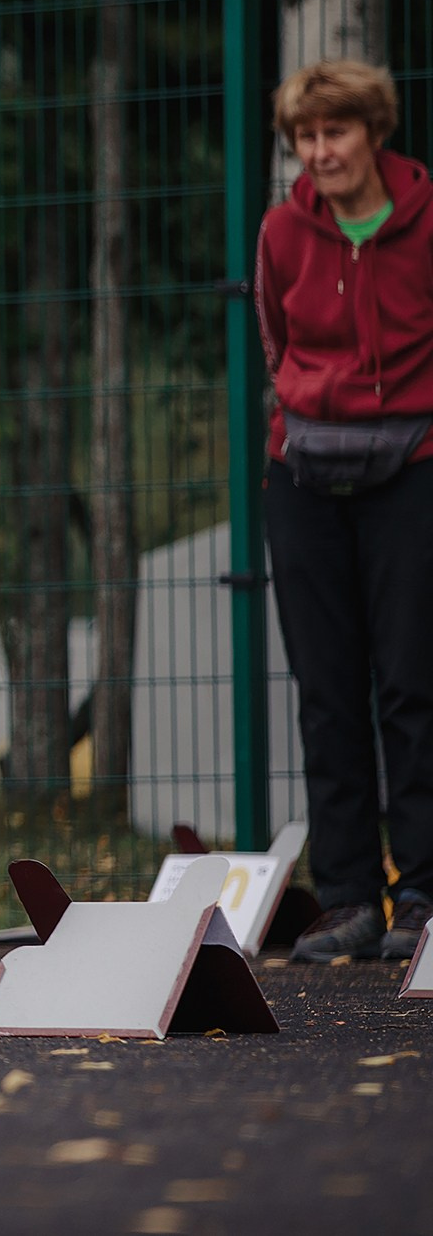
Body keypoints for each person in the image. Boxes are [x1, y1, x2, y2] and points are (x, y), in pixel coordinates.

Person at [256, 59, 432, 965]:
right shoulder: (283, 231)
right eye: (305, 138)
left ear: (374, 133)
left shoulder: (425, 219)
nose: (320, 153)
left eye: (335, 133)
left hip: (413, 463)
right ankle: (352, 898)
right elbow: (275, 342)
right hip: (305, 471)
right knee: (327, 692)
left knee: (411, 683)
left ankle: (426, 894)